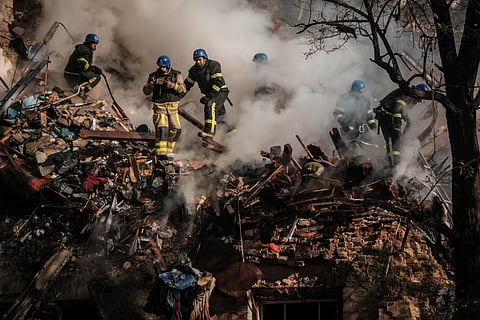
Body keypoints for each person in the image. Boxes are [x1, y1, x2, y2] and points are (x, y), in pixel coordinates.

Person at [143, 55, 186, 160]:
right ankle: (161, 154)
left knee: (176, 130)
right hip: (160, 107)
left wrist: (172, 85)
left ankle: (169, 152)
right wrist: (153, 85)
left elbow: (183, 89)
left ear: (168, 66)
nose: (161, 69)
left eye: (163, 67)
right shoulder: (153, 76)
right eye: (160, 67)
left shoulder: (177, 75)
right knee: (163, 130)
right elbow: (145, 91)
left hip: (173, 107)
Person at [375, 83, 430, 167]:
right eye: (421, 96)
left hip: (389, 116)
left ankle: (395, 162)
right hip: (386, 116)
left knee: (396, 140)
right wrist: (397, 125)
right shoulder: (408, 95)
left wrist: (409, 120)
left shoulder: (409, 94)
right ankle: (393, 164)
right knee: (392, 140)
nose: (420, 100)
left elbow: (403, 111)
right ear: (418, 92)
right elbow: (397, 108)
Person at [184, 48, 230, 141]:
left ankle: (209, 133)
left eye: (200, 59)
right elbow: (187, 85)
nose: (198, 62)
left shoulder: (214, 65)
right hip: (210, 93)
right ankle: (231, 133)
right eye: (196, 60)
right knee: (221, 116)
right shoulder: (194, 70)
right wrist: (177, 95)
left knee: (210, 105)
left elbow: (218, 83)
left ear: (205, 58)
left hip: (220, 91)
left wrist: (209, 96)